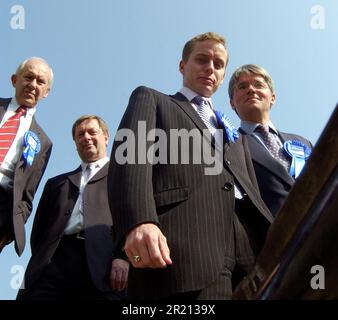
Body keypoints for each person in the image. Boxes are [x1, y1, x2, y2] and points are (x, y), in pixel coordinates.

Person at [108, 32, 274, 300]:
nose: (210, 68)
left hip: (249, 246)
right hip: (185, 244)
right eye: (202, 59)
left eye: (218, 65)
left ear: (222, 77)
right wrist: (137, 222)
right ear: (183, 66)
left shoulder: (232, 133)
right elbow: (130, 161)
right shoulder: (152, 99)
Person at [17, 115, 129, 300]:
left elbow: (133, 218)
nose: (86, 137)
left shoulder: (124, 177)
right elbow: (39, 233)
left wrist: (124, 257)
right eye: (80, 134)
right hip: (53, 266)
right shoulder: (56, 184)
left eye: (92, 132)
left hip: (104, 264)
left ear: (106, 137)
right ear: (75, 142)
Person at [228, 64, 313, 216]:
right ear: (232, 103)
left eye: (258, 84)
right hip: (275, 234)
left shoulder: (303, 143)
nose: (251, 89)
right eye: (242, 86)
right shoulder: (228, 146)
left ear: (272, 97)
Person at [0, 57, 53, 256]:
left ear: (46, 92)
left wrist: (8, 229)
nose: (33, 85)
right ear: (14, 80)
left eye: (40, 82)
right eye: (28, 77)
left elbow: (27, 196)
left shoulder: (44, 142)